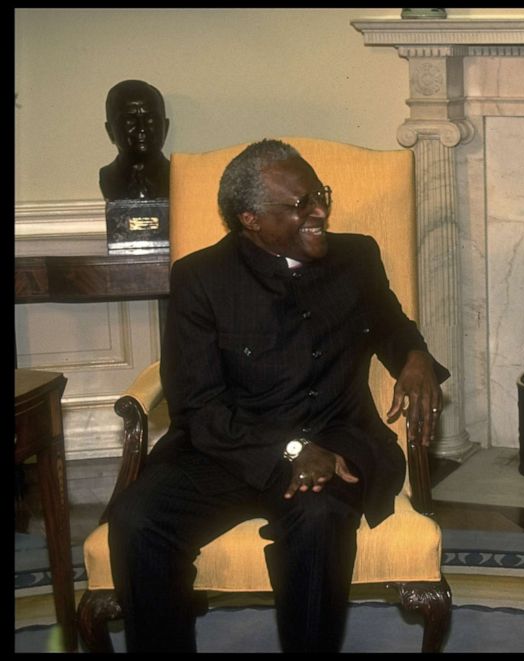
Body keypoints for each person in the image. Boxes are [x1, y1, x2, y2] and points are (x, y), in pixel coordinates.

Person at [107, 139, 449, 652]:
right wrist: (287, 451)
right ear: (251, 219)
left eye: (320, 194)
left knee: (317, 519)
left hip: (335, 437)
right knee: (137, 521)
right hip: (225, 447)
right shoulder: (201, 278)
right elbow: (197, 407)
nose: (320, 211)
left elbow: (391, 326)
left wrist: (416, 358)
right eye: (299, 205)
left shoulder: (357, 256)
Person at [100, 80, 171, 200]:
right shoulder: (108, 177)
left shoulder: (181, 176)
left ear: (166, 126)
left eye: (150, 119)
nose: (142, 128)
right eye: (130, 120)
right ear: (110, 130)